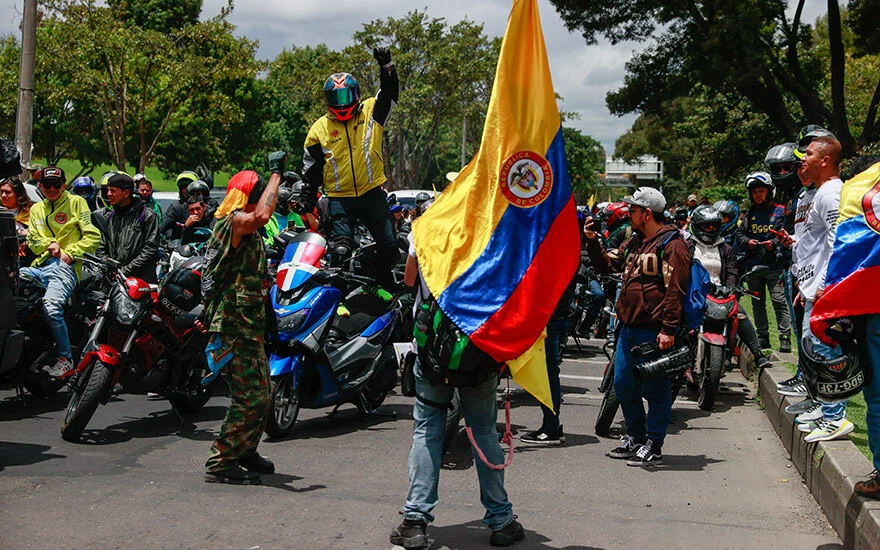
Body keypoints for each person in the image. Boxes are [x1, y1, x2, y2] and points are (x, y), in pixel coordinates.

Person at [390, 217, 524, 549]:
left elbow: (409, 280)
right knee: (484, 433)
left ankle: (415, 521)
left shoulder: (424, 230)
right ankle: (501, 521)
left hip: (432, 351)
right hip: (479, 355)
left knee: (427, 432)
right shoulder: (488, 237)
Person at [585, 187, 691, 466]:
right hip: (628, 328)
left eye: (632, 210)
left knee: (656, 391)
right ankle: (636, 437)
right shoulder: (635, 241)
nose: (628, 214)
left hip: (653, 331)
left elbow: (675, 290)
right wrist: (593, 241)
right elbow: (609, 265)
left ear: (647, 213)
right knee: (623, 385)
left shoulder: (672, 244)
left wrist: (668, 329)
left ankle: (654, 444)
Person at [198, 152, 286, 485]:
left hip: (250, 326)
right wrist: (276, 175)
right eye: (261, 192)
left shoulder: (248, 230)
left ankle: (245, 449)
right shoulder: (232, 221)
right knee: (246, 396)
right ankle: (222, 460)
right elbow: (263, 214)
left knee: (262, 394)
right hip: (233, 325)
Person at [299, 47, 399, 291]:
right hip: (339, 199)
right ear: (327, 101)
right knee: (340, 251)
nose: (341, 104)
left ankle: (381, 287)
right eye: (336, 98)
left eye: (346, 97)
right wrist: (306, 198)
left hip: (372, 193)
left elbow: (390, 93)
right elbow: (311, 172)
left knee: (390, 246)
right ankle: (340, 299)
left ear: (356, 95)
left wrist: (386, 67)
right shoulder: (318, 130)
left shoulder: (372, 111)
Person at [776, 128, 852, 442]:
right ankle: (824, 409)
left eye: (808, 154)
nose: (802, 159)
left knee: (826, 349)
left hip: (826, 289)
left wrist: (824, 285)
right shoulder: (820, 192)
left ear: (824, 161)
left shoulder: (832, 193)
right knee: (814, 348)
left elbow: (838, 243)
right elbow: (816, 245)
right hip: (813, 287)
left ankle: (836, 417)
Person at [23, 167, 101, 377]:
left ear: (64, 185)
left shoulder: (77, 203)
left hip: (65, 268)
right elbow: (32, 239)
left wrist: (70, 253)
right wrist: (49, 244)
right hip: (39, 267)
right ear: (40, 186)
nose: (52, 189)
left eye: (56, 185)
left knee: (51, 307)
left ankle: (66, 359)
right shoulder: (36, 209)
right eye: (47, 185)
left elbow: (93, 236)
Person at [688, 205, 771, 369]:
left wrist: (731, 287)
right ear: (697, 226)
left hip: (720, 293)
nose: (711, 229)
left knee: (739, 313)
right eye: (706, 225)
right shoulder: (688, 246)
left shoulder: (725, 248)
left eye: (714, 225)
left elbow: (733, 270)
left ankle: (758, 354)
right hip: (694, 294)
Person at [736, 171, 792, 352]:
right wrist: (748, 243)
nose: (757, 195)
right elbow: (739, 234)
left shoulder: (780, 210)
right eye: (754, 192)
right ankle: (762, 337)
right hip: (753, 267)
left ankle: (785, 338)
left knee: (779, 301)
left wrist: (774, 244)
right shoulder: (750, 213)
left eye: (761, 191)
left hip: (774, 266)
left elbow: (787, 233)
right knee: (757, 304)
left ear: (769, 191)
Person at [520, 273, 575, 445]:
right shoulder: (565, 251)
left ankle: (551, 427)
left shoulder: (559, 252)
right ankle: (551, 426)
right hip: (554, 315)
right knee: (549, 372)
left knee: (548, 373)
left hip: (549, 317)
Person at [93, 172, 160, 283]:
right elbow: (101, 247)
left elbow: (150, 250)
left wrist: (124, 271)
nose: (109, 194)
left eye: (113, 191)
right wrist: (108, 267)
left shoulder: (147, 216)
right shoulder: (108, 217)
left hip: (141, 283)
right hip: (112, 282)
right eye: (108, 190)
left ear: (126, 193)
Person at [160, 171, 199, 240]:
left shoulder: (208, 205)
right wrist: (185, 226)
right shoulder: (176, 207)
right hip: (182, 247)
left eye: (189, 187)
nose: (186, 190)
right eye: (183, 187)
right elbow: (161, 230)